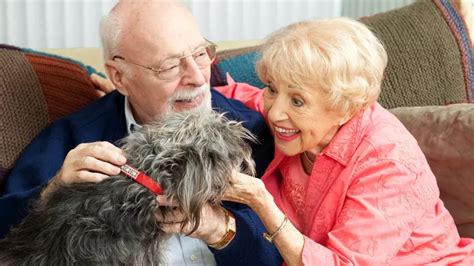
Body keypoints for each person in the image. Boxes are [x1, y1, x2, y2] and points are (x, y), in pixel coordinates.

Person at [0, 1, 280, 265]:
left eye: (200, 54)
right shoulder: (74, 138)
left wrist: (219, 228)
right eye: (170, 66)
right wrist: (53, 191)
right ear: (119, 77)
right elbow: (8, 233)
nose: (197, 77)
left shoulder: (249, 130)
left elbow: (282, 251)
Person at [209, 18, 474, 264]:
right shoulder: (296, 117)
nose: (275, 112)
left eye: (297, 101)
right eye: (273, 89)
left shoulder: (389, 163)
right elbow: (245, 96)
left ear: (344, 108)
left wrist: (261, 202)